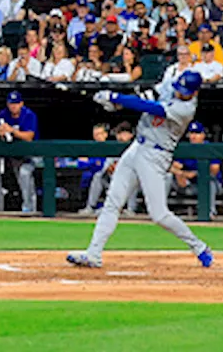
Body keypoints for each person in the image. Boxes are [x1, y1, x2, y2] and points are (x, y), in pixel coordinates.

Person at [66, 71, 213, 269]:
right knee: (113, 201)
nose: (179, 93)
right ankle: (94, 253)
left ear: (194, 92)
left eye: (184, 91)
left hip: (155, 155)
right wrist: (117, 105)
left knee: (159, 214)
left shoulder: (186, 109)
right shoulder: (171, 84)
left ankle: (199, 247)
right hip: (137, 146)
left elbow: (151, 108)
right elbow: (147, 96)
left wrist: (116, 97)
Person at [0, 90, 39, 214]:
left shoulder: (29, 115)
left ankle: (29, 208)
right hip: (15, 155)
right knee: (21, 180)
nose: (13, 106)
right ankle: (29, 207)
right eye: (11, 103)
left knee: (25, 175)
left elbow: (29, 137)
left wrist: (12, 130)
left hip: (33, 154)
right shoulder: (3, 114)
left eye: (16, 103)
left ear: (21, 104)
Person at [168, 121, 221, 219]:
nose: (193, 136)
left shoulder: (210, 148)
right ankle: (163, 211)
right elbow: (173, 166)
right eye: (191, 133)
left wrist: (196, 174)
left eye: (197, 133)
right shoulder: (185, 147)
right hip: (190, 186)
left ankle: (210, 212)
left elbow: (214, 170)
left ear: (203, 135)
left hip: (210, 186)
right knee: (167, 176)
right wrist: (180, 174)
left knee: (210, 182)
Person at [77, 122, 115, 217]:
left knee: (98, 175)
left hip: (111, 179)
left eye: (100, 134)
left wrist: (91, 164)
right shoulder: (91, 147)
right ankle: (90, 207)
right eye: (95, 134)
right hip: (93, 179)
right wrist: (94, 164)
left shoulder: (112, 147)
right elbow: (80, 164)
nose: (97, 137)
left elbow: (105, 167)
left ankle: (92, 207)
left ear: (106, 134)